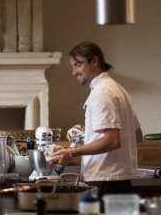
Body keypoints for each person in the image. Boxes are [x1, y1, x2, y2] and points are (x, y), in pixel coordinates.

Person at [51, 41, 143, 198]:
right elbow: (137, 136)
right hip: (120, 181)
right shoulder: (119, 90)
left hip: (104, 180)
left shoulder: (101, 92)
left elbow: (113, 140)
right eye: (73, 66)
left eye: (78, 65)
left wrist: (72, 153)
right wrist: (90, 137)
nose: (74, 72)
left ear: (94, 61)